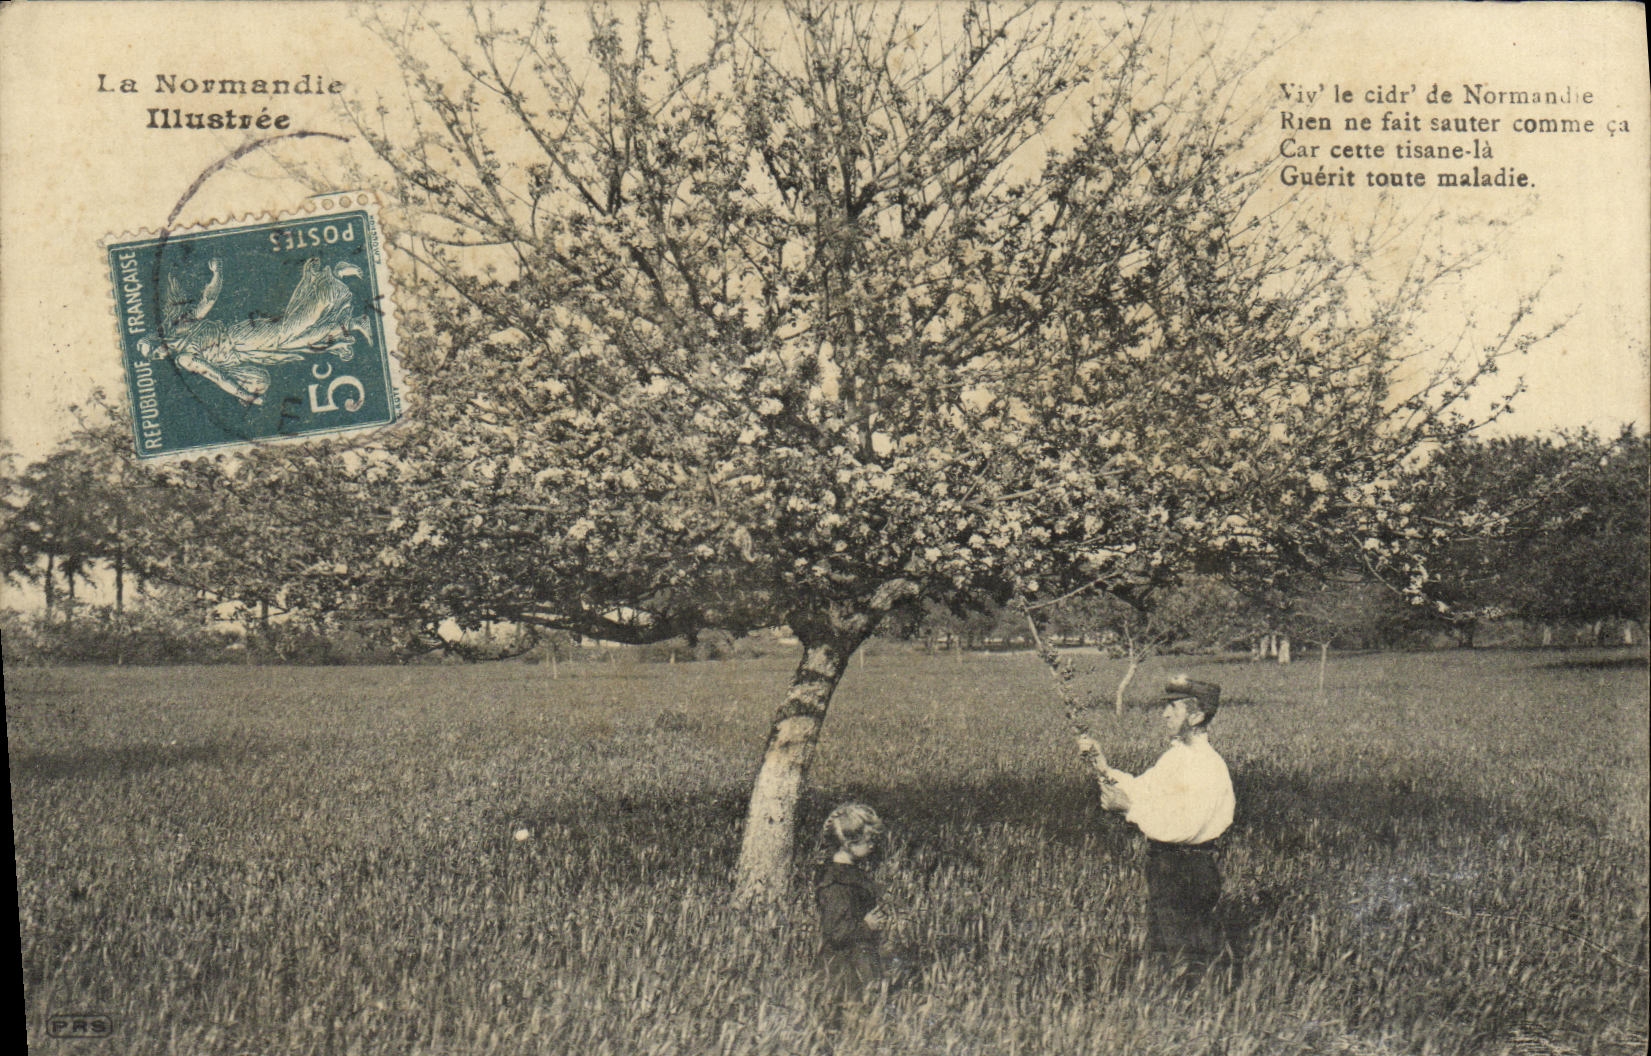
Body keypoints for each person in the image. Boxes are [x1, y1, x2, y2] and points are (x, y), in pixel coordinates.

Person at [1078, 675, 1234, 969]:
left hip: (1187, 870)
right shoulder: (1177, 758)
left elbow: (1185, 828)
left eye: (1173, 708)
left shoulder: (1205, 764)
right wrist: (1101, 764)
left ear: (1196, 715)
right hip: (1168, 868)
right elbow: (1141, 789)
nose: (1163, 715)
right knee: (1164, 954)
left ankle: (1198, 1008)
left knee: (1187, 960)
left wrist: (1129, 807)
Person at [814, 802, 887, 1013]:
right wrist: (867, 925)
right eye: (868, 840)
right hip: (843, 968)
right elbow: (836, 932)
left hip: (861, 959)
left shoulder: (851, 874)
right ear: (847, 842)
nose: (873, 845)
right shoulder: (836, 883)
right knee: (850, 1012)